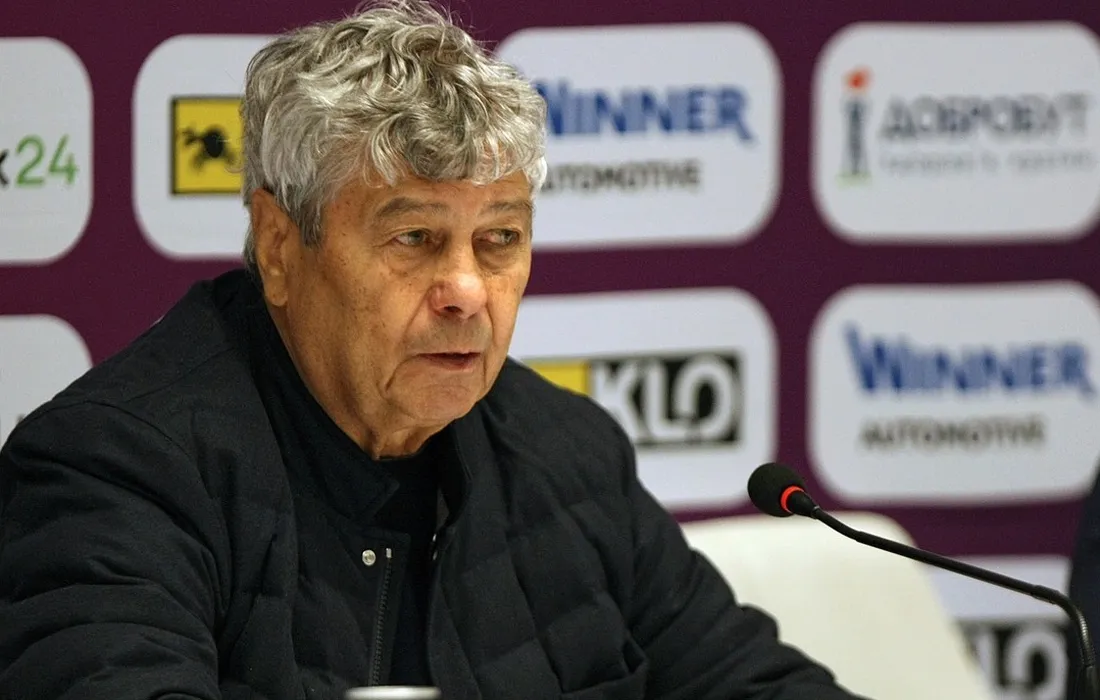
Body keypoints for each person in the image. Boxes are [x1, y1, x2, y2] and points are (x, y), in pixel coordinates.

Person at [0, 2, 869, 698]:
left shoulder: (565, 457)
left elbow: (749, 680)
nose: (467, 290)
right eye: (414, 238)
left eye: (499, 240)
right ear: (279, 246)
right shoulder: (117, 472)